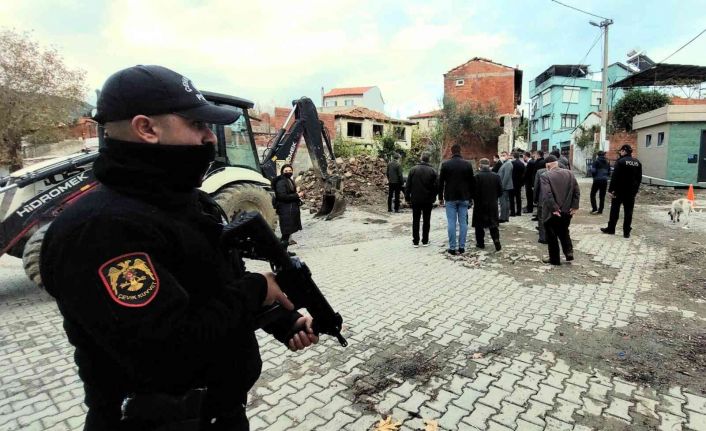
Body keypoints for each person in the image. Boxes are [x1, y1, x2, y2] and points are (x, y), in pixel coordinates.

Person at [39, 65, 318, 431]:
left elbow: (216, 289)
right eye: (197, 125)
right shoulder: (101, 229)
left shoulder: (190, 204)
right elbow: (168, 350)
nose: (210, 138)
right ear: (147, 129)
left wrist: (283, 321)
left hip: (220, 414)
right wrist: (258, 289)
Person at [540, 155, 580, 265]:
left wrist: (554, 208)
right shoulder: (570, 173)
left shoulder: (545, 175)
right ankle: (568, 253)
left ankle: (555, 259)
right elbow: (576, 191)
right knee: (564, 231)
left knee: (551, 235)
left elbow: (547, 194)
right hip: (567, 210)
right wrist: (575, 206)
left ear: (548, 165)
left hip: (552, 212)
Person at [438, 144, 475, 254]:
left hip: (450, 197)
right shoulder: (467, 165)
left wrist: (440, 197)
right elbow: (472, 183)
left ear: (451, 152)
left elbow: (441, 183)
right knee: (463, 223)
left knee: (451, 222)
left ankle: (452, 248)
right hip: (464, 197)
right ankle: (462, 247)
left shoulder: (445, 165)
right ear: (460, 151)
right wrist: (471, 198)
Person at [601, 144, 642, 238]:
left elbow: (615, 177)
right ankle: (626, 232)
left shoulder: (621, 162)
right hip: (631, 192)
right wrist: (635, 191)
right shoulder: (637, 162)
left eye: (621, 151)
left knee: (615, 210)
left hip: (619, 191)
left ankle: (611, 229)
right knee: (628, 212)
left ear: (624, 151)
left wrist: (611, 190)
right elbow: (639, 179)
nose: (620, 152)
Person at [405, 152, 438, 248]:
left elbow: (408, 185)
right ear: (429, 159)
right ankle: (425, 241)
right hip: (428, 200)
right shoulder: (433, 171)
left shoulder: (413, 170)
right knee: (426, 220)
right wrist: (433, 197)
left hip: (415, 200)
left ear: (421, 158)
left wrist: (407, 198)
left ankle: (415, 241)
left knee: (416, 220)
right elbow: (436, 187)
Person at [472, 158, 503, 251]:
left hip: (479, 205)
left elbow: (473, 192)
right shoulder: (496, 176)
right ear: (489, 165)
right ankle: (496, 240)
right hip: (492, 204)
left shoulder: (476, 177)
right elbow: (501, 191)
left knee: (479, 225)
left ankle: (480, 243)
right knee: (493, 224)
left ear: (480, 166)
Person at [273, 164, 303, 250]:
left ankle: (284, 252)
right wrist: (297, 195)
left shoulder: (288, 180)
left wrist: (295, 191)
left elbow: (288, 192)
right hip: (285, 210)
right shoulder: (281, 182)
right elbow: (282, 197)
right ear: (282, 172)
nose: (288, 172)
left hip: (289, 209)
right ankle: (282, 253)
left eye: (290, 171)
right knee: (286, 233)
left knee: (287, 233)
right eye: (286, 171)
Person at [497, 151, 514, 222]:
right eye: (501, 155)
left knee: (503, 202)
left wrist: (502, 186)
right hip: (506, 185)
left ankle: (503, 218)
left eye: (504, 155)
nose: (502, 157)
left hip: (505, 186)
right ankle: (506, 217)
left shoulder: (508, 164)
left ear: (508, 155)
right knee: (506, 201)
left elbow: (506, 176)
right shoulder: (505, 163)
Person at [510, 152, 526, 217]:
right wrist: (522, 183)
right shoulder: (522, 164)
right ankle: (519, 212)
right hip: (519, 183)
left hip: (512, 182)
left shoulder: (512, 163)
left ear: (513, 156)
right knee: (518, 198)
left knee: (511, 198)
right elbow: (524, 174)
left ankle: (513, 212)